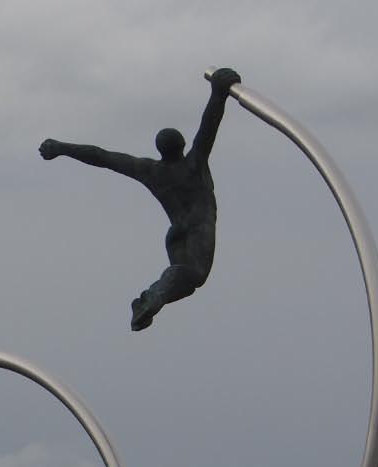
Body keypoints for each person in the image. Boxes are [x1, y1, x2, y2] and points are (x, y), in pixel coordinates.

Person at [39, 67, 241, 330]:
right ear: (181, 146)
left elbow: (102, 157)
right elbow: (208, 126)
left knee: (186, 281)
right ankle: (154, 296)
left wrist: (62, 148)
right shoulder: (194, 164)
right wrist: (218, 92)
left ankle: (154, 296)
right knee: (196, 276)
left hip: (176, 233)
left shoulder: (152, 172)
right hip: (198, 227)